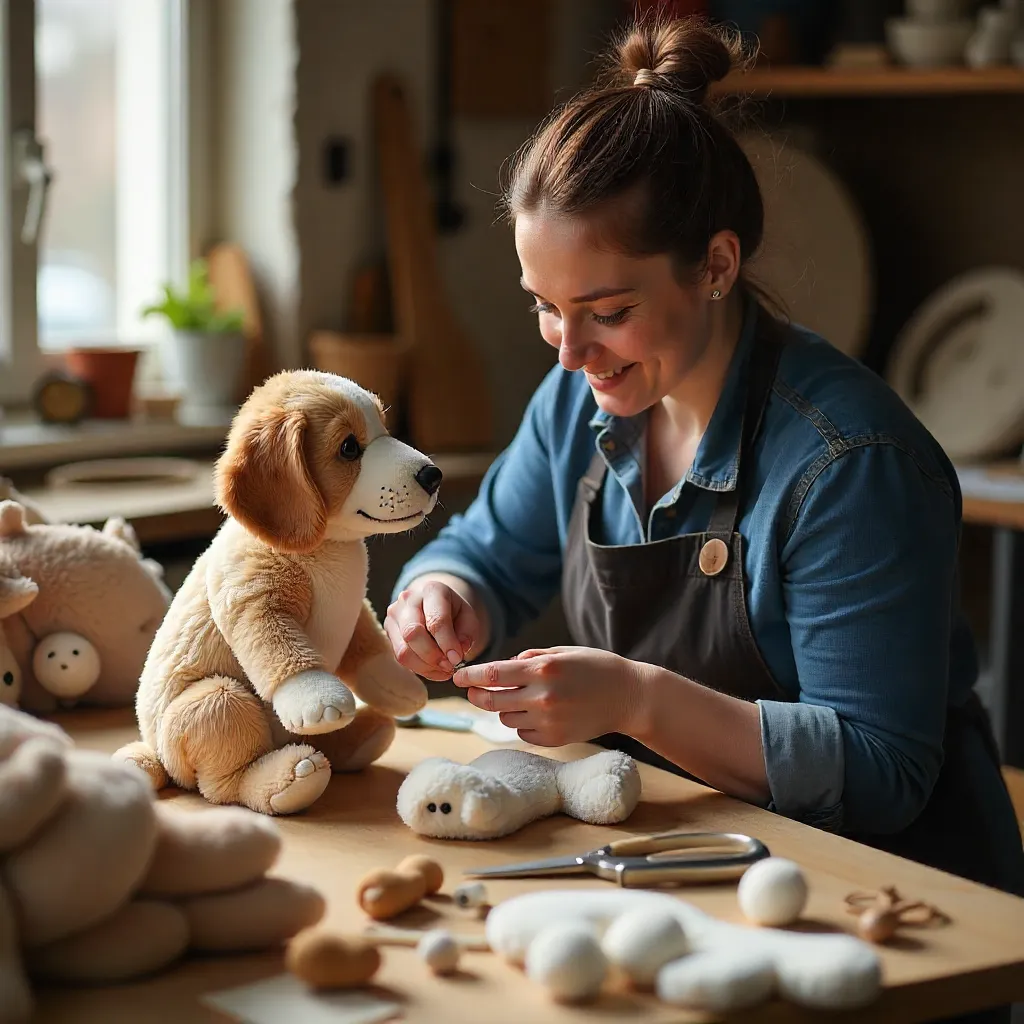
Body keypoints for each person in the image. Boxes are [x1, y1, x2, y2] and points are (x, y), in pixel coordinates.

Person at [383, 12, 1024, 924]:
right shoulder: (582, 400)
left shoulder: (851, 465)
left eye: (605, 310)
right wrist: (441, 595)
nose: (568, 353)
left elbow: (883, 773)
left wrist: (639, 700)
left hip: (896, 907)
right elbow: (489, 552)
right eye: (544, 307)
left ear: (716, 265)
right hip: (697, 867)